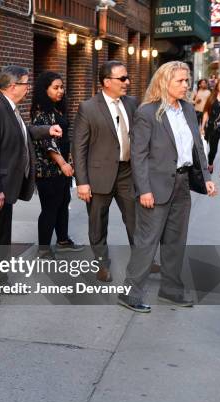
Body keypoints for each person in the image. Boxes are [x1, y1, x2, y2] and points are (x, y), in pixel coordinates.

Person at [118, 61, 217, 313]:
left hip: (182, 184)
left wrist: (205, 176)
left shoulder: (187, 108)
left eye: (187, 81)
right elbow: (138, 155)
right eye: (181, 81)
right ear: (165, 82)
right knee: (147, 242)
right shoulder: (147, 112)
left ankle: (171, 290)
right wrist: (145, 189)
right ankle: (130, 293)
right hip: (155, 185)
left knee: (176, 241)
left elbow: (196, 146)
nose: (186, 85)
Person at [0, 65, 62, 303]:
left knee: (0, 239)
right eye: (25, 84)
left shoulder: (9, 108)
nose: (28, 88)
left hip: (5, 188)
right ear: (12, 86)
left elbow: (22, 131)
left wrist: (47, 130)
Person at [72, 61, 138, 282]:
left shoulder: (132, 103)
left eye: (127, 78)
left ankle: (143, 262)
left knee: (135, 220)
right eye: (122, 78)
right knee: (98, 223)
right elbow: (79, 148)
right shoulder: (88, 108)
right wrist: (82, 181)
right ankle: (102, 264)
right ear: (107, 82)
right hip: (98, 176)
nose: (127, 82)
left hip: (128, 172)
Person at [30, 71, 83, 259]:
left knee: (63, 203)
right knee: (50, 208)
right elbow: (47, 143)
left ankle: (62, 240)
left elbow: (64, 139)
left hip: (61, 168)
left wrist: (69, 161)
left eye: (62, 87)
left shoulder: (57, 109)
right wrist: (62, 164)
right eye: (56, 87)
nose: (60, 91)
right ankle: (43, 249)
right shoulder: (40, 112)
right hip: (48, 170)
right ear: (45, 90)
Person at [201, 78, 220, 179]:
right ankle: (210, 163)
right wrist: (202, 127)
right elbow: (206, 113)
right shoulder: (212, 98)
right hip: (213, 127)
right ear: (217, 86)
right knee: (213, 150)